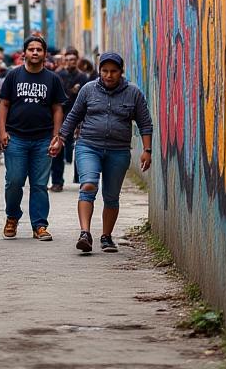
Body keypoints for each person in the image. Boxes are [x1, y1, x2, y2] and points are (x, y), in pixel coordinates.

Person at [50, 51, 153, 254]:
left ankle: (106, 237)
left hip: (118, 150)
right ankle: (85, 234)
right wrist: (60, 138)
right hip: (88, 146)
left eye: (113, 71)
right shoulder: (88, 90)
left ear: (121, 72)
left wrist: (147, 150)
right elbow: (73, 116)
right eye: (104, 71)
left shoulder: (133, 92)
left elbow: (145, 123)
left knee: (111, 196)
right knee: (88, 185)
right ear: (99, 71)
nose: (108, 75)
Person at [0, 35, 68, 241]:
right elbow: (4, 104)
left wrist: (57, 136)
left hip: (42, 139)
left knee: (39, 184)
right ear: (24, 53)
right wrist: (2, 132)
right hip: (16, 138)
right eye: (31, 49)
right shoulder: (13, 76)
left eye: (39, 49)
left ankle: (39, 225)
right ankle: (12, 217)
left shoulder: (53, 79)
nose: (35, 52)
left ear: (45, 54)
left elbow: (57, 109)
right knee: (14, 181)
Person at [52, 47, 89, 192]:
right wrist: (70, 91)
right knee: (57, 147)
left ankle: (82, 180)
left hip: (78, 116)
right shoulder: (58, 75)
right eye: (67, 60)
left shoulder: (83, 77)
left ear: (77, 60)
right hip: (61, 115)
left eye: (72, 60)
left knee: (80, 147)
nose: (69, 63)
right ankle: (57, 181)